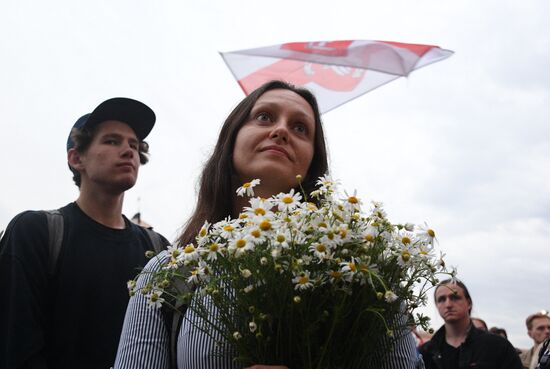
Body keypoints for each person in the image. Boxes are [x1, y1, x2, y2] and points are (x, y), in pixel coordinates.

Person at [114, 80, 423, 369]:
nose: (281, 130)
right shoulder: (169, 274)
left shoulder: (365, 269)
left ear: (313, 162)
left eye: (300, 127)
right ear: (231, 139)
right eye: (263, 117)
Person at [0, 97, 168, 369]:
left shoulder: (158, 250)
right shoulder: (36, 232)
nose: (128, 151)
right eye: (112, 141)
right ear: (77, 158)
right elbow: (15, 346)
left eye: (134, 145)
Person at [420, 279, 522, 369]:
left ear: (469, 303)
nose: (448, 304)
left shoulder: (498, 346)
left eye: (455, 297)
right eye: (441, 299)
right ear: (436, 305)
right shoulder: (426, 352)